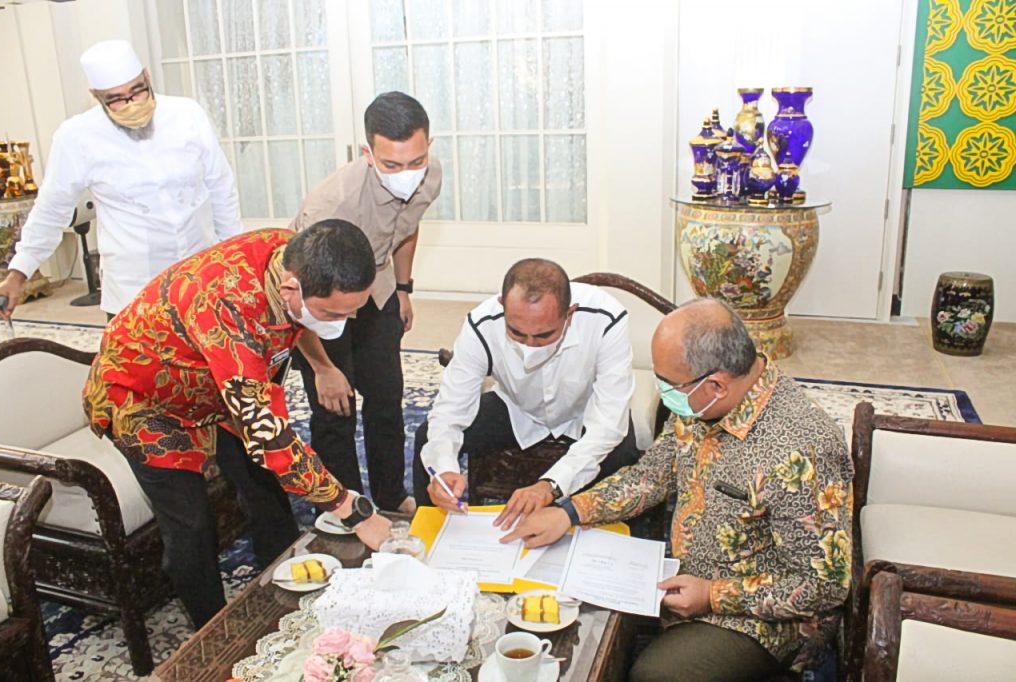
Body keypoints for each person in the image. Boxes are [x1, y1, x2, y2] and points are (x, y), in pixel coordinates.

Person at [502, 298, 854, 681]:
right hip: (677, 576)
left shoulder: (803, 451)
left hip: (760, 620)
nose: (662, 393)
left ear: (716, 384)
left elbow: (824, 586)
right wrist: (569, 512)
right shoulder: (699, 404)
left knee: (656, 675)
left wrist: (712, 594)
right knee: (561, 600)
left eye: (668, 384)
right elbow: (653, 474)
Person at [82, 220, 392, 629]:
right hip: (147, 399)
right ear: (291, 288)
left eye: (353, 310)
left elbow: (296, 324)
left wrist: (322, 365)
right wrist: (352, 509)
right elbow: (270, 436)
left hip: (220, 384)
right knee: (191, 524)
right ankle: (211, 634)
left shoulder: (293, 252)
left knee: (266, 492)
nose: (346, 321)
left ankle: (286, 598)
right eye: (335, 313)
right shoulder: (225, 304)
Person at [0, 39, 240, 322]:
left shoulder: (187, 114)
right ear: (96, 96)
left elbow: (222, 188)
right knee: (137, 365)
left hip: (200, 273)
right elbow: (51, 209)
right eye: (117, 99)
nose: (132, 103)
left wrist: (233, 256)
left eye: (138, 91)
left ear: (147, 77)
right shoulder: (77, 137)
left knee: (208, 362)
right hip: (133, 287)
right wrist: (18, 273)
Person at [289, 91, 441, 514]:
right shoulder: (330, 204)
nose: (406, 174)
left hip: (379, 288)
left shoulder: (431, 174)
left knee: (387, 395)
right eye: (392, 164)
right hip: (321, 303)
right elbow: (296, 299)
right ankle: (345, 506)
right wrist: (322, 367)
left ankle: (391, 495)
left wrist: (404, 290)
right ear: (367, 153)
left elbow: (407, 230)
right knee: (334, 405)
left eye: (415, 160)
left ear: (428, 145)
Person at [414, 258, 641, 530]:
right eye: (517, 333)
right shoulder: (481, 323)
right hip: (518, 408)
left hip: (586, 409)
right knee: (425, 435)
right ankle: (429, 542)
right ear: (502, 307)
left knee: (626, 463)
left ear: (570, 314)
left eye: (544, 335)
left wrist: (550, 486)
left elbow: (607, 425)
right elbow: (449, 411)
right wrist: (444, 469)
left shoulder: (606, 319)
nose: (530, 347)